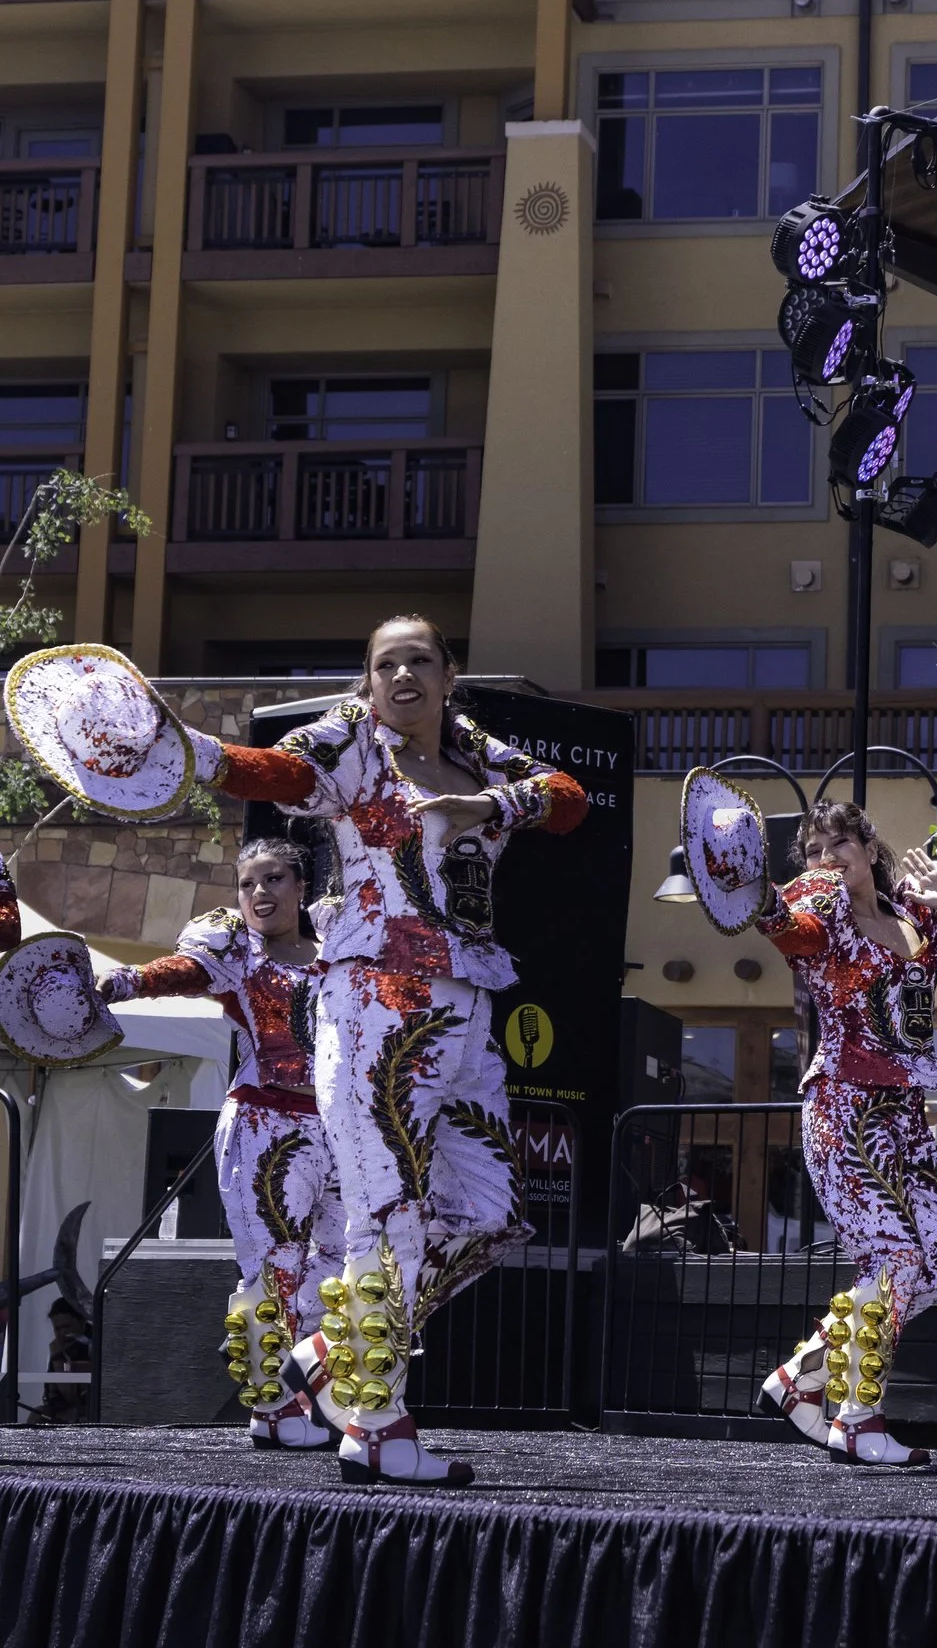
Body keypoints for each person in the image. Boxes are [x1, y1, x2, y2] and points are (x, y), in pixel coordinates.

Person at [171, 615, 586, 1486]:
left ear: (450, 675)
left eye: (419, 661)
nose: (402, 676)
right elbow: (278, 769)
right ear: (368, 682)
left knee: (489, 1214)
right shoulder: (356, 747)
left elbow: (570, 799)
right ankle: (377, 1427)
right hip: (374, 1002)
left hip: (468, 1006)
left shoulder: (478, 755)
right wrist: (196, 753)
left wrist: (494, 804)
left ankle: (331, 1351)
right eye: (385, 663)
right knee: (386, 1215)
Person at [754, 803, 937, 1467]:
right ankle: (858, 1419)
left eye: (840, 842)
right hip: (842, 1108)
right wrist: (751, 889)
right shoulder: (822, 923)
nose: (827, 857)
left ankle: (801, 1377)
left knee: (926, 1266)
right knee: (893, 1260)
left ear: (870, 848)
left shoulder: (918, 916)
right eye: (812, 850)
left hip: (902, 1113)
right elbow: (783, 928)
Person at [97, 838, 342, 1449]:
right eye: (248, 883)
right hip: (265, 1125)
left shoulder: (342, 953)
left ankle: (304, 1382)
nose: (260, 892)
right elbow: (183, 973)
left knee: (344, 1267)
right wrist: (124, 982)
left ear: (301, 887)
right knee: (274, 1265)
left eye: (275, 879)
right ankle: (270, 1409)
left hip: (343, 1130)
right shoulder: (237, 955)